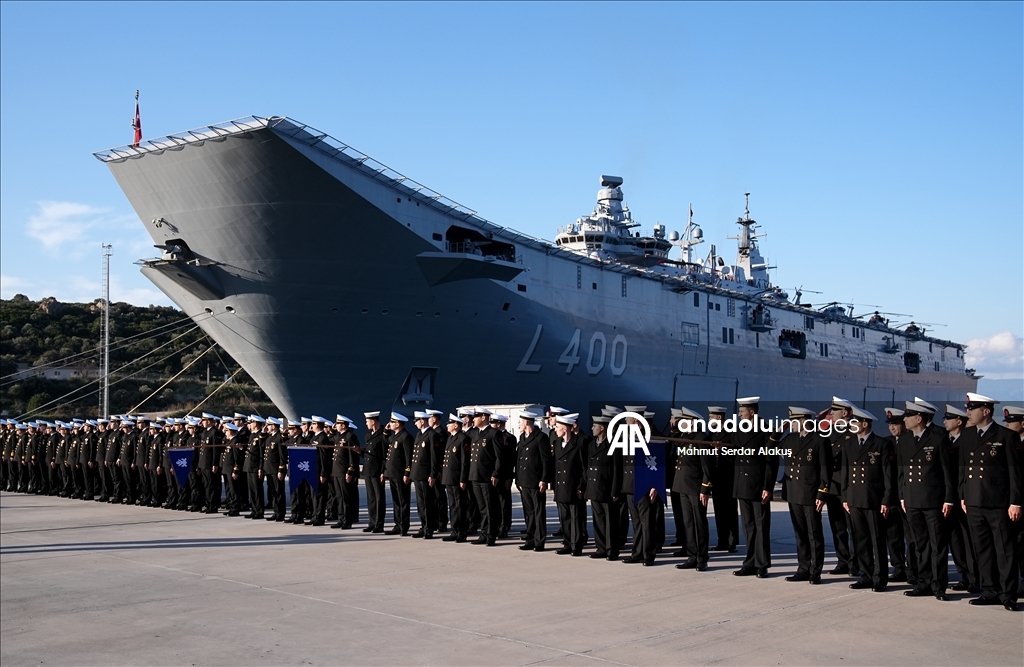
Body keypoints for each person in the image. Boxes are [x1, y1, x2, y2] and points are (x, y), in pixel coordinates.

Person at [959, 393, 1020, 611]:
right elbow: (963, 468)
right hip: (974, 500)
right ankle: (989, 591)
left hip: (998, 502)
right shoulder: (967, 435)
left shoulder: (1005, 436)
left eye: (972, 409)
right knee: (982, 549)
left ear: (985, 411)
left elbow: (1015, 473)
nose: (968, 412)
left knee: (1004, 550)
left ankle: (1008, 594)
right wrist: (962, 495)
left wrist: (1015, 502)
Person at [897, 400, 955, 601]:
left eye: (908, 416)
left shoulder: (938, 439)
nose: (904, 420)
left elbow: (947, 473)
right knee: (920, 544)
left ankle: (938, 585)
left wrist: (949, 500)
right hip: (912, 499)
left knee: (937, 544)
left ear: (919, 418)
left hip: (933, 501)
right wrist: (902, 496)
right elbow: (901, 473)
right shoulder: (904, 441)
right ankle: (924, 582)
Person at [842, 407, 896, 592]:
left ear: (865, 424)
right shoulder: (849, 444)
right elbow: (846, 472)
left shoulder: (881, 444)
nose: (852, 425)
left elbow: (887, 475)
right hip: (854, 498)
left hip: (874, 499)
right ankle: (865, 575)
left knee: (877, 540)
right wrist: (845, 496)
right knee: (861, 539)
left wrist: (886, 499)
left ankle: (880, 577)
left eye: (855, 422)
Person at [779, 407, 831, 584]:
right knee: (800, 534)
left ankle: (815, 571)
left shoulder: (819, 440)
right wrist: (780, 430)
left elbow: (825, 469)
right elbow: (770, 448)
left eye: (793, 421)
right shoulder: (790, 439)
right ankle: (803, 568)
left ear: (802, 421)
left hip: (810, 494)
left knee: (813, 534)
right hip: (793, 492)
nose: (791, 424)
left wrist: (822, 494)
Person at [731, 397, 780, 578]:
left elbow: (771, 461)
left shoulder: (766, 431)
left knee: (761, 525)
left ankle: (762, 564)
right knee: (748, 526)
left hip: (758, 485)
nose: (739, 414)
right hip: (742, 484)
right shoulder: (738, 430)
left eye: (742, 411)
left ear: (752, 412)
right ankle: (750, 562)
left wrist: (768, 486)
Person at [941, 404, 980, 592]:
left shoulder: (969, 441)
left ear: (959, 421)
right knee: (954, 539)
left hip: (963, 497)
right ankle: (963, 574)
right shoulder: (944, 441)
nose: (945, 422)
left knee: (968, 539)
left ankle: (974, 578)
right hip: (947, 498)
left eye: (948, 419)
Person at [672, 407, 715, 572]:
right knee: (688, 523)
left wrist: (705, 489)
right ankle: (691, 555)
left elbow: (707, 466)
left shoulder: (701, 439)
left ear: (692, 422)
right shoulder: (685, 437)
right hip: (683, 485)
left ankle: (702, 557)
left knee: (699, 522)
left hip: (696, 487)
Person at [883, 407, 916, 585]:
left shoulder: (911, 440)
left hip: (907, 495)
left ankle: (913, 570)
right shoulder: (886, 443)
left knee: (911, 536)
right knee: (893, 535)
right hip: (891, 496)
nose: (892, 427)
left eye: (895, 423)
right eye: (890, 424)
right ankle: (898, 568)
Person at [826, 398, 858, 575]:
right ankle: (842, 561)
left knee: (853, 528)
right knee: (837, 527)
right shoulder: (828, 432)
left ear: (844, 413)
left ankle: (855, 563)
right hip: (833, 487)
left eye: (834, 410)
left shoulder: (854, 431)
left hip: (850, 487)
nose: (831, 413)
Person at [585, 415, 621, 560]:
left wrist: (615, 490)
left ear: (602, 428)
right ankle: (601, 548)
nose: (592, 428)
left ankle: (612, 550)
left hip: (607, 488)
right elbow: (588, 467)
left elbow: (617, 469)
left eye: (594, 426)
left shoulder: (613, 444)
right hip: (595, 487)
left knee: (610, 521)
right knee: (598, 520)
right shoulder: (591, 445)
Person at [516, 411, 553, 552]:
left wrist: (544, 479)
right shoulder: (522, 437)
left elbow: (546, 460)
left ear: (527, 422)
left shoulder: (541, 437)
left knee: (538, 512)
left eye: (520, 422)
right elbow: (519, 460)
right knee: (529, 512)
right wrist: (518, 479)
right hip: (524, 481)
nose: (519, 424)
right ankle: (530, 539)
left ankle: (539, 541)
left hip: (536, 481)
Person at [553, 413, 587, 556]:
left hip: (573, 486)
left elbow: (585, 468)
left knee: (575, 518)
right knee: (564, 518)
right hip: (561, 486)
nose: (555, 430)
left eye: (558, 427)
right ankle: (567, 543)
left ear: (565, 429)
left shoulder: (579, 443)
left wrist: (581, 486)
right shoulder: (557, 443)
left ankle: (576, 546)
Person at [466, 408, 501, 546]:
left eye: (476, 417)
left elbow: (499, 456)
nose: (473, 419)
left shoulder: (493, 433)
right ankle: (484, 533)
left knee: (490, 507)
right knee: (482, 508)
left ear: (483, 418)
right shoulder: (475, 433)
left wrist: (496, 473)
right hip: (475, 475)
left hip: (487, 476)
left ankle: (491, 534)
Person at [708, 406, 738, 553]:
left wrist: (721, 450)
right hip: (716, 476)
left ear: (719, 418)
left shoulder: (731, 432)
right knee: (719, 510)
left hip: (728, 476)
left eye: (711, 417)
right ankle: (722, 541)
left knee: (730, 510)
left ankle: (732, 541)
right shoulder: (713, 433)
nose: (709, 420)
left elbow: (737, 452)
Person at [410, 412, 441, 539]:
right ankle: (423, 526)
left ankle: (429, 527)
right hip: (418, 474)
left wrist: (433, 474)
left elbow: (434, 457)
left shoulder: (432, 435)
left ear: (422, 421)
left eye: (417, 421)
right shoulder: (419, 434)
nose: (415, 424)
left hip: (426, 474)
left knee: (428, 503)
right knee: (420, 503)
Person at [441, 414, 470, 543]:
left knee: (460, 506)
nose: (447, 425)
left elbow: (464, 461)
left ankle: (461, 532)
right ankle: (454, 530)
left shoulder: (463, 438)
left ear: (456, 425)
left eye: (450, 423)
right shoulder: (451, 438)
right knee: (452, 505)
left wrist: (463, 479)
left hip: (457, 478)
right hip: (449, 477)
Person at [358, 412, 387, 533]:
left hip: (377, 470)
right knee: (371, 498)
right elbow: (369, 453)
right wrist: (360, 452)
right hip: (368, 470)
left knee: (379, 497)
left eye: (367, 421)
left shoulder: (383, 435)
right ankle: (372, 522)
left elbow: (385, 455)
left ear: (373, 421)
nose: (366, 424)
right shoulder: (368, 435)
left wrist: (383, 471)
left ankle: (379, 524)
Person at [384, 413, 413, 536]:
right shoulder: (395, 436)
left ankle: (403, 526)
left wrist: (407, 472)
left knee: (403, 501)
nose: (390, 424)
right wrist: (386, 431)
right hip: (393, 473)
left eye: (392, 422)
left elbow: (408, 457)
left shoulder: (405, 437)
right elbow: (386, 442)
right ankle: (397, 524)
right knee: (396, 501)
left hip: (401, 474)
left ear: (398, 424)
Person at [329, 415, 360, 529]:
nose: (336, 425)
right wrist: (332, 431)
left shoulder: (350, 436)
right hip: (337, 471)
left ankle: (347, 520)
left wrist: (350, 471)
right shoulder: (339, 436)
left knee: (346, 497)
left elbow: (353, 456)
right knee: (339, 496)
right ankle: (341, 518)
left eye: (337, 424)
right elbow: (329, 440)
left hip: (344, 471)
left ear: (343, 425)